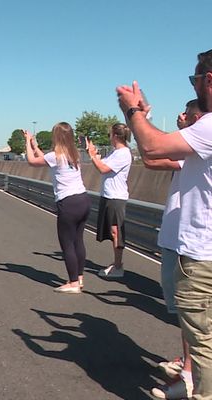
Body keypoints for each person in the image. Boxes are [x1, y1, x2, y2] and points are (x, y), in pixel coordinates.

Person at [116, 49, 212, 400]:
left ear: (209, 80)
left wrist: (132, 110)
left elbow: (153, 148)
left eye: (194, 80)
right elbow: (156, 154)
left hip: (202, 254)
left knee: (203, 343)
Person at [143, 100, 204, 399]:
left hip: (190, 244)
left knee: (191, 315)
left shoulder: (197, 147)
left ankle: (190, 376)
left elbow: (151, 156)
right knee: (188, 316)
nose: (181, 117)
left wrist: (139, 117)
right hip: (181, 239)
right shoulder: (193, 147)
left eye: (188, 114)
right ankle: (189, 368)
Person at [23, 122, 91, 294]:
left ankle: (73, 282)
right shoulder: (74, 155)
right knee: (78, 240)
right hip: (83, 199)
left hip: (68, 202)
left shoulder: (56, 156)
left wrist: (27, 141)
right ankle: (79, 277)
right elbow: (44, 159)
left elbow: (32, 161)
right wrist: (35, 146)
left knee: (67, 242)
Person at [87, 123, 132, 278]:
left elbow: (103, 169)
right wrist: (94, 154)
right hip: (108, 195)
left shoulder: (123, 153)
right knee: (112, 231)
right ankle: (116, 263)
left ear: (115, 136)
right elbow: (103, 164)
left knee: (116, 231)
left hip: (116, 197)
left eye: (110, 134)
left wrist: (93, 156)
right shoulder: (115, 152)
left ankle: (118, 266)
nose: (109, 137)